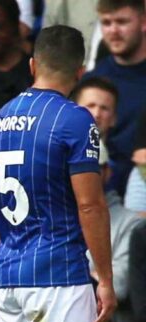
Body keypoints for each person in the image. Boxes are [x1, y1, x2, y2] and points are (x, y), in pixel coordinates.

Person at [0, 25, 116, 322]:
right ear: (80, 71)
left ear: (32, 65)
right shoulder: (75, 120)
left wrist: (10, 256)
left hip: (9, 276)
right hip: (58, 273)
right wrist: (106, 280)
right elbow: (90, 205)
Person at [72, 79, 144, 322]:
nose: (82, 176)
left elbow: (121, 289)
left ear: (106, 172)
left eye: (91, 170)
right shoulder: (57, 220)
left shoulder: (131, 225)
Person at [86, 0, 146, 196]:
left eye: (121, 22)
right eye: (106, 23)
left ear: (143, 22)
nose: (113, 31)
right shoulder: (90, 82)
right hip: (99, 192)